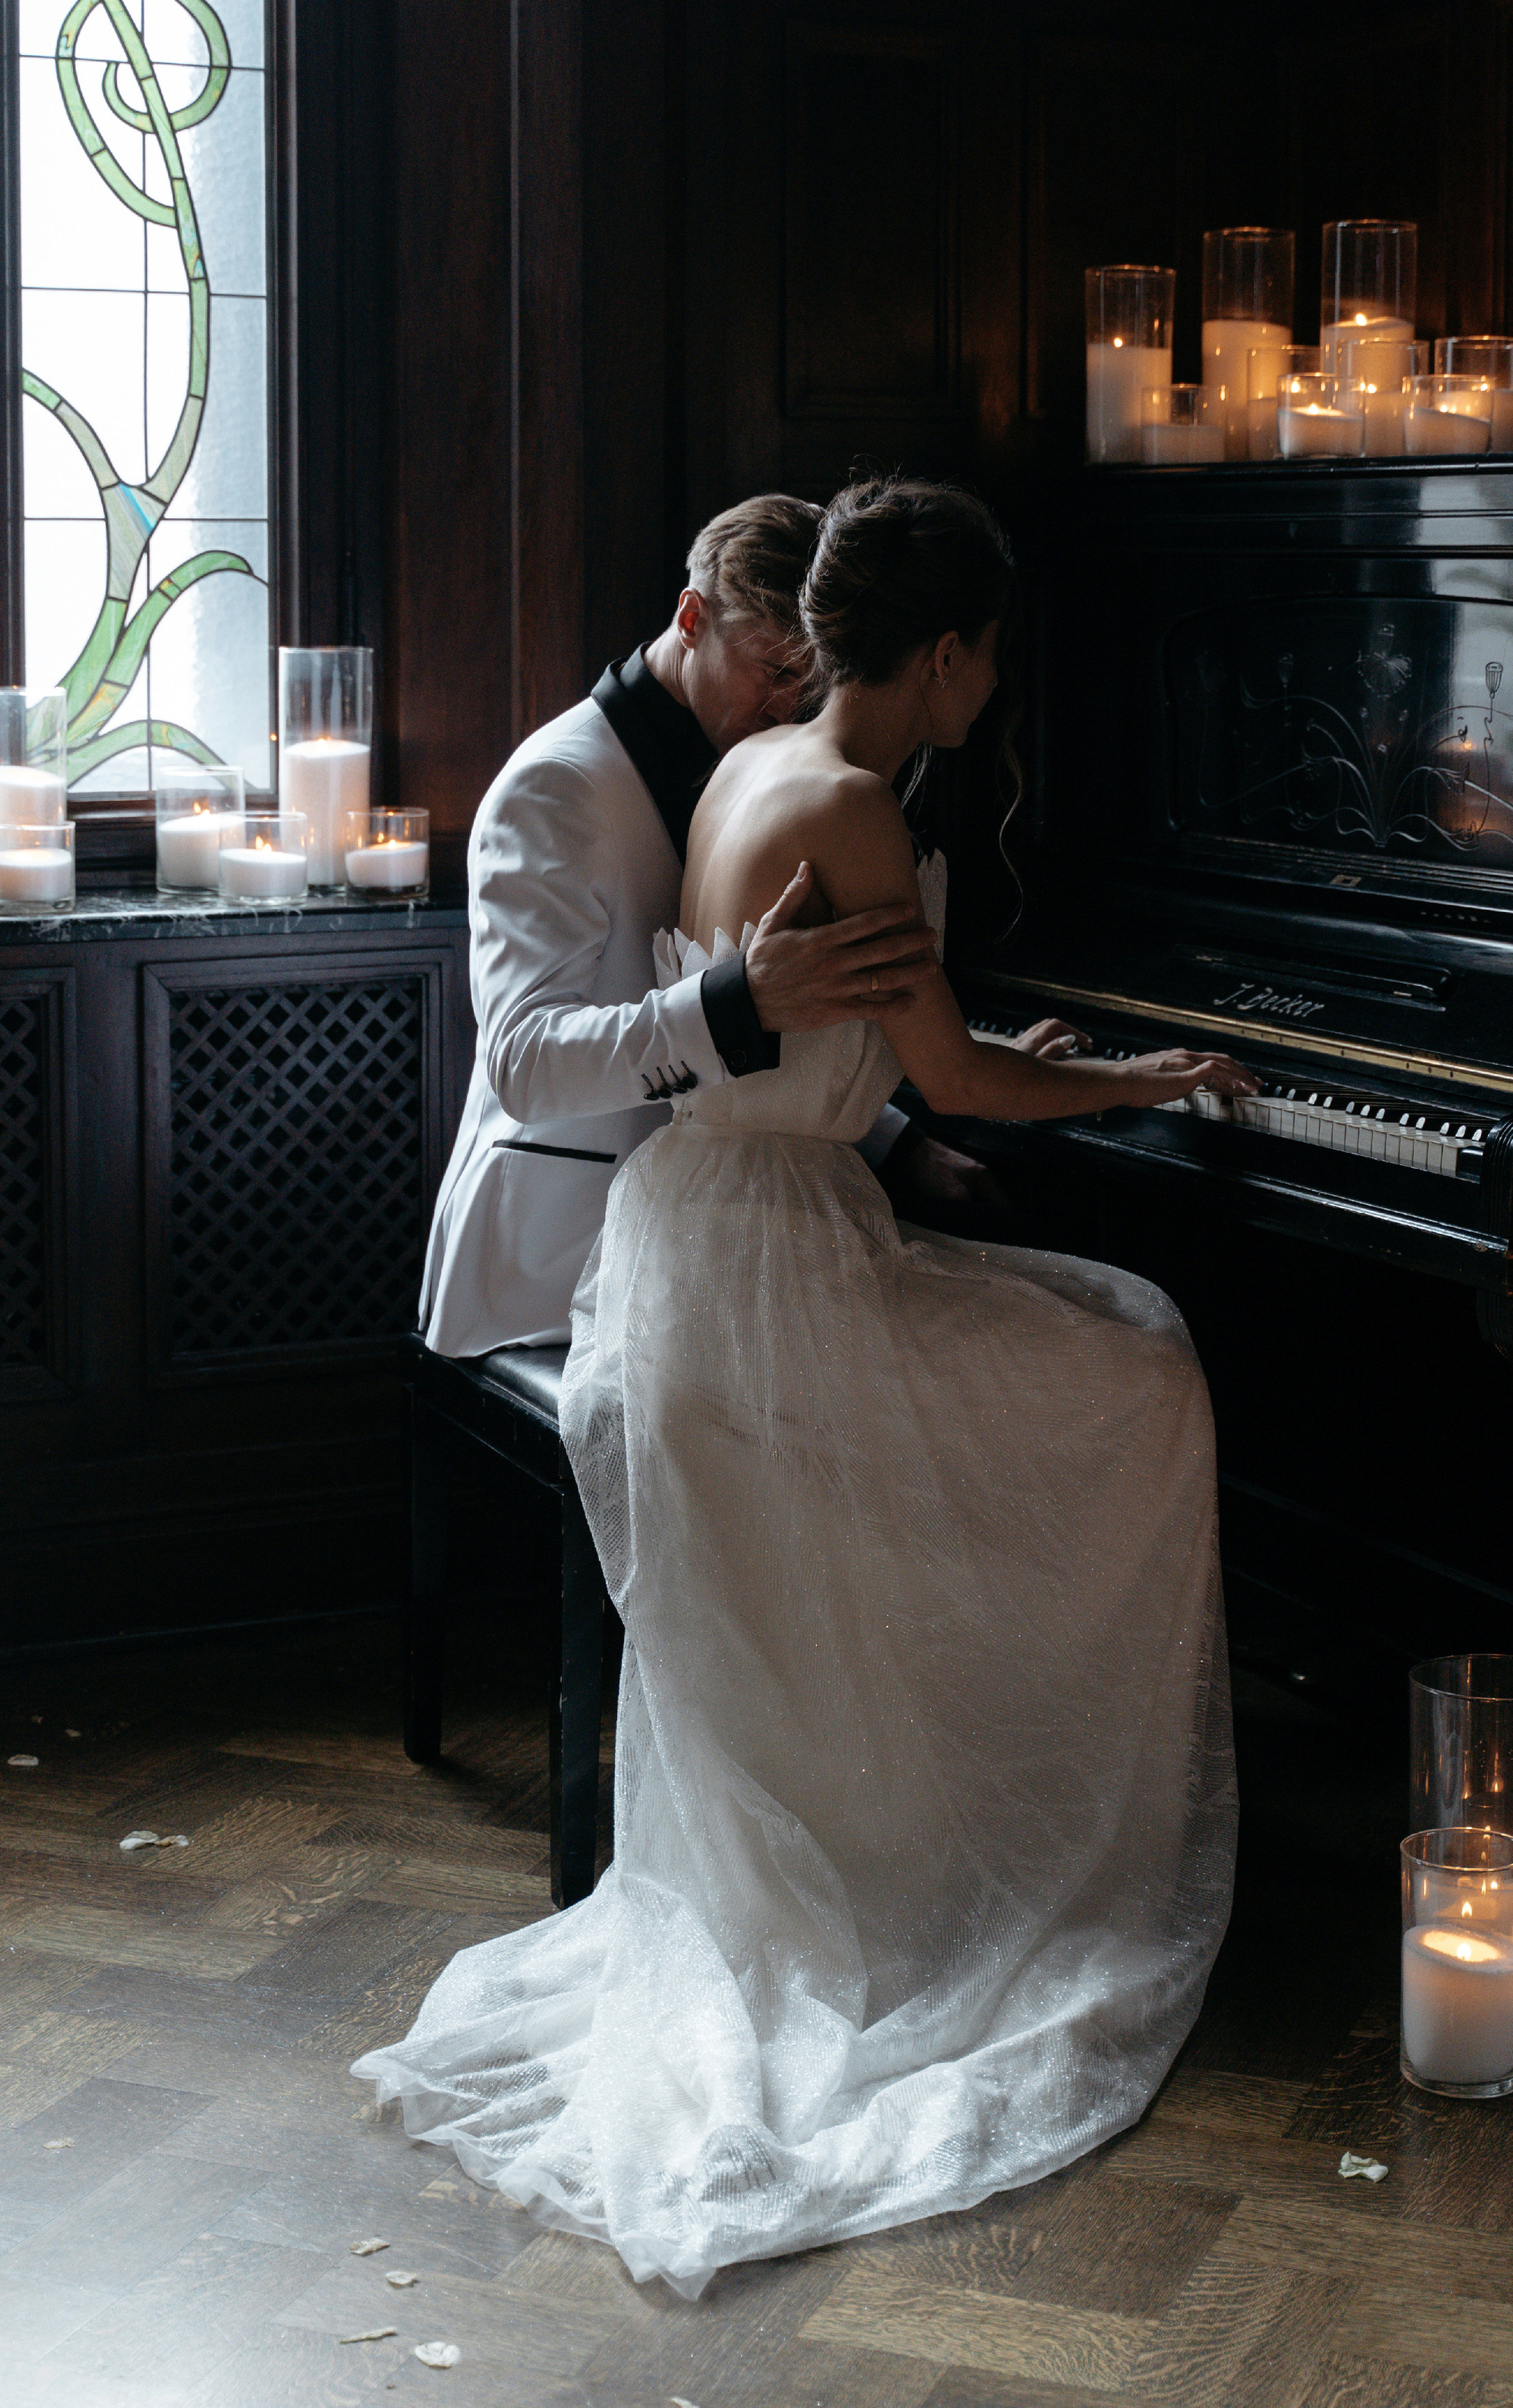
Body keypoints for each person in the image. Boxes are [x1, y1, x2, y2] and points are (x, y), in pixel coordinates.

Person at [357, 478, 1253, 2297]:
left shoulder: (754, 768)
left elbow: (848, 1044)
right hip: (703, 1260)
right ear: (946, 653)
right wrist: (1136, 1078)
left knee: (1054, 1371)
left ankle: (923, 1808)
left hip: (710, 1236)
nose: (989, 689)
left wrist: (920, 1079)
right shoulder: (724, 791)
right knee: (1138, 1365)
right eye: (987, 658)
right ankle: (1008, 1837)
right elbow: (587, 1053)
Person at [420, 491, 1038, 1359]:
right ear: (691, 619)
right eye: (771, 669)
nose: (790, 704)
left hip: (717, 1247)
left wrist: (898, 1143)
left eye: (809, 681)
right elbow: (525, 1064)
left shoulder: (761, 768)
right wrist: (735, 1004)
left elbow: (789, 1028)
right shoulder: (555, 787)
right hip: (552, 1264)